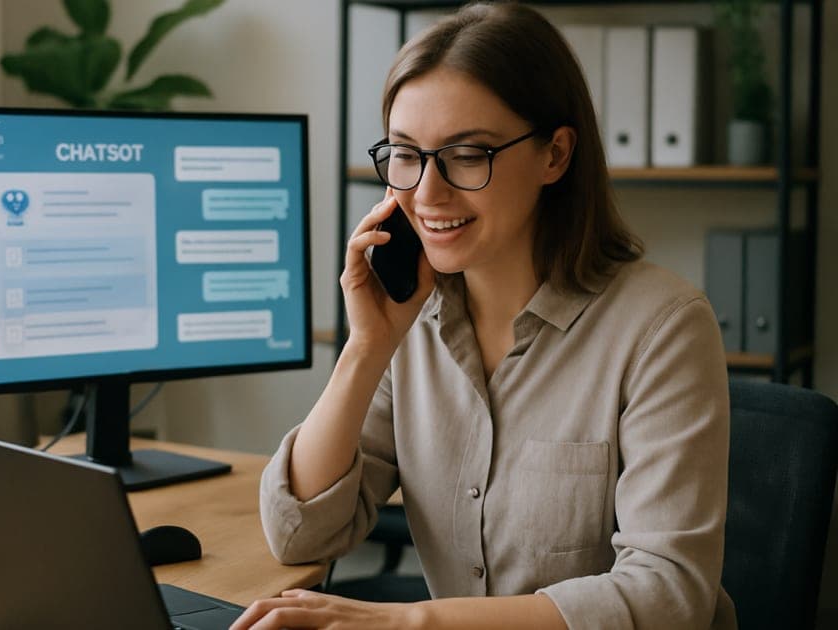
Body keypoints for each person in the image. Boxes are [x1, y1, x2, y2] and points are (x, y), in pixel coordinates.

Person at [232, 3, 736, 629]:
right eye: (406, 154)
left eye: (468, 154)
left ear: (555, 155)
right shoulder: (410, 321)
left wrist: (408, 623)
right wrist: (366, 347)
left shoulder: (664, 327)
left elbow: (669, 595)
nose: (426, 192)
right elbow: (300, 534)